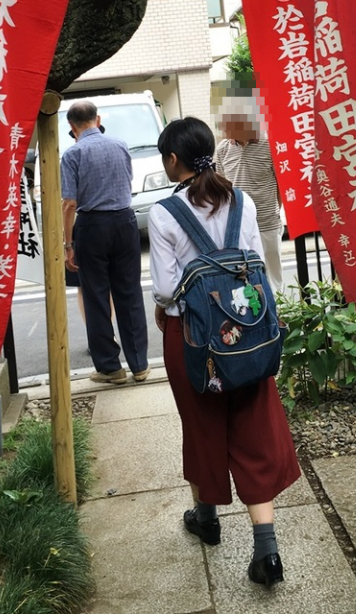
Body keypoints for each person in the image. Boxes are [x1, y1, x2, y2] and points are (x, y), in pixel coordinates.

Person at [148, 116, 300, 587]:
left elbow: (167, 289)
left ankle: (207, 516)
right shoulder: (243, 201)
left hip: (192, 340)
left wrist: (167, 310)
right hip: (250, 331)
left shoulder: (163, 212)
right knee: (254, 427)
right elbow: (254, 261)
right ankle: (267, 549)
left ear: (173, 161)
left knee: (202, 425)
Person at [61, 99, 150, 385]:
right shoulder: (121, 145)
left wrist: (67, 244)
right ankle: (139, 365)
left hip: (92, 225)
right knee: (129, 292)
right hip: (125, 221)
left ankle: (111, 368)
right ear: (97, 120)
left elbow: (69, 203)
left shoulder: (73, 154)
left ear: (71, 126)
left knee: (96, 296)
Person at [216, 97, 285, 294]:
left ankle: (278, 313)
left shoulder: (270, 144)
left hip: (267, 222)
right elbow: (222, 187)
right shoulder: (223, 150)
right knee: (244, 277)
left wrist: (273, 210)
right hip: (237, 226)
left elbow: (280, 184)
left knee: (273, 275)